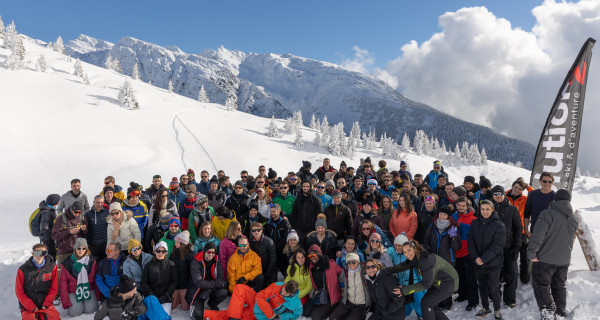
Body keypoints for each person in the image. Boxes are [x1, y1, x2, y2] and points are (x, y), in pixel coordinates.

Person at [528, 189, 578, 319]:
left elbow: (537, 236)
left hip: (545, 259)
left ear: (555, 199)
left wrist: (531, 253)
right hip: (564, 260)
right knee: (559, 285)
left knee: (541, 284)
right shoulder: (573, 218)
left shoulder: (547, 214)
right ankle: (560, 312)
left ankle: (548, 314)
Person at [387, 240, 459, 320]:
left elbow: (425, 284)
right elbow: (404, 265)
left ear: (415, 249)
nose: (407, 254)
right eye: (404, 252)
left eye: (409, 250)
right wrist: (388, 270)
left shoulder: (425, 260)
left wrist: (403, 290)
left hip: (448, 282)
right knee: (431, 304)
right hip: (438, 282)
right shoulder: (416, 257)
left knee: (426, 303)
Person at [467, 200, 506, 319]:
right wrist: (475, 257)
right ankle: (485, 307)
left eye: (487, 209)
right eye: (482, 209)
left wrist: (483, 259)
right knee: (482, 286)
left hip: (493, 263)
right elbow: (470, 242)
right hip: (478, 262)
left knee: (494, 287)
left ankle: (497, 309)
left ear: (492, 209)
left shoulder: (499, 225)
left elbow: (498, 245)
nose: (485, 211)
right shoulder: (474, 223)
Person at [491, 185, 522, 308]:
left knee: (512, 274)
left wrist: (517, 246)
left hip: (509, 247)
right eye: (495, 194)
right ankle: (494, 296)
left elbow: (518, 229)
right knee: (494, 275)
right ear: (492, 195)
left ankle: (509, 299)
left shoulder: (512, 209)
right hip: (492, 249)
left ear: (504, 195)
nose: (498, 196)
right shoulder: (487, 208)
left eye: (500, 194)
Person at [523, 172, 556, 284]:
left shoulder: (555, 197)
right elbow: (527, 213)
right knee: (532, 256)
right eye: (545, 181)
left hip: (549, 233)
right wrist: (526, 230)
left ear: (552, 183)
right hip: (534, 231)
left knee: (546, 257)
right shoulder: (533, 194)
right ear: (540, 181)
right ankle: (527, 279)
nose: (547, 184)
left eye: (549, 182)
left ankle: (544, 280)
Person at [15, 243, 60, 320]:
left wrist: (46, 303)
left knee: (54, 318)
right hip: (28, 305)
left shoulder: (52, 267)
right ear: (32, 254)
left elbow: (54, 288)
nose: (39, 256)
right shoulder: (23, 269)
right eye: (36, 253)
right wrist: (31, 306)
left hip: (45, 302)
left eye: (43, 253)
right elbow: (19, 292)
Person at [186, 242, 229, 320]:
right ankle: (198, 305)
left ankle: (212, 303)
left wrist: (209, 289)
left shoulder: (216, 260)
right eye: (209, 252)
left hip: (210, 287)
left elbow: (220, 277)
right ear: (205, 251)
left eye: (213, 252)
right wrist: (212, 286)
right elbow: (198, 282)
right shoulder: (196, 261)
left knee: (223, 292)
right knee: (198, 316)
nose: (211, 254)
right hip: (197, 290)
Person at [387, 233, 425, 318]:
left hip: (415, 284)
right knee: (406, 308)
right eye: (395, 245)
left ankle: (421, 317)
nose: (397, 248)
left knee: (419, 306)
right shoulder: (394, 254)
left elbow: (419, 272)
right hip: (403, 285)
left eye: (399, 246)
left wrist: (424, 287)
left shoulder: (411, 255)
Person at [451, 196, 479, 310]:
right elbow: (451, 232)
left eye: (463, 206)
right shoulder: (453, 217)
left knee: (470, 278)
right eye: (459, 205)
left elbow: (476, 237)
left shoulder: (473, 219)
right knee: (460, 276)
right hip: (456, 252)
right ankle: (463, 295)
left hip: (468, 252)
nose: (461, 208)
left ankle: (473, 301)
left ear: (468, 206)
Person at [59, 238, 100, 316]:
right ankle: (77, 303)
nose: (81, 250)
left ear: (86, 249)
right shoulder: (67, 263)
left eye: (83, 248)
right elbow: (63, 284)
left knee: (90, 310)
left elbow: (96, 279)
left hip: (88, 289)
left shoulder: (92, 261)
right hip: (73, 291)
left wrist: (98, 296)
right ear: (75, 249)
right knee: (75, 312)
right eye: (78, 248)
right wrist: (65, 301)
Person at [303, 244, 344, 320]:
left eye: (314, 255)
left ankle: (333, 307)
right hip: (319, 294)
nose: (312, 258)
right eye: (310, 256)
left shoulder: (330, 264)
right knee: (305, 312)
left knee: (315, 317)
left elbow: (342, 273)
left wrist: (342, 286)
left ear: (319, 253)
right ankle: (321, 308)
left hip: (331, 296)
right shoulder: (311, 267)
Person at [505, 177, 533, 284]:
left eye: (520, 189)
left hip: (521, 232)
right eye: (516, 187)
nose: (517, 190)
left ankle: (524, 278)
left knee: (524, 256)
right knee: (507, 256)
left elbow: (535, 194)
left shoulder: (525, 199)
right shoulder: (504, 197)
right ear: (512, 186)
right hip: (507, 232)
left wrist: (527, 186)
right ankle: (505, 277)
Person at [329, 252, 371, 320]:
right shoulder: (345, 271)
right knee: (332, 318)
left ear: (358, 262)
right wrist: (343, 289)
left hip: (361, 304)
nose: (351, 264)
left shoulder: (364, 271)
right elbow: (341, 281)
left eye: (353, 262)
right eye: (348, 262)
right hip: (348, 301)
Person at [141, 241, 178, 315]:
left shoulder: (171, 264)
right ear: (155, 252)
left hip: (165, 297)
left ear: (166, 252)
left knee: (163, 315)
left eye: (163, 251)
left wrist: (166, 295)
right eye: (158, 251)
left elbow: (174, 281)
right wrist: (151, 294)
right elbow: (144, 282)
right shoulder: (148, 265)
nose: (160, 253)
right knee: (152, 315)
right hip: (151, 296)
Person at [52, 200, 88, 264]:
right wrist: (69, 232)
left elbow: (85, 234)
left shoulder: (82, 218)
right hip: (64, 252)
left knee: (78, 273)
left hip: (78, 252)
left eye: (80, 212)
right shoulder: (61, 218)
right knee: (62, 272)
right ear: (71, 209)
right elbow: (54, 235)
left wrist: (84, 230)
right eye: (76, 212)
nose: (77, 214)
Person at [170, 230, 195, 311]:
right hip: (175, 284)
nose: (175, 243)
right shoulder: (173, 252)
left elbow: (192, 272)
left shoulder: (190, 255)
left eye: (177, 242)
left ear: (182, 244)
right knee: (172, 306)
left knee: (185, 308)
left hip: (185, 285)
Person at [86, 195, 110, 261]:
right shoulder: (88, 214)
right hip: (92, 244)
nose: (99, 204)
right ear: (93, 202)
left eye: (101, 202)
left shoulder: (107, 213)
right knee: (93, 264)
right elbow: (85, 230)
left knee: (104, 262)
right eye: (97, 202)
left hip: (104, 244)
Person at [38, 194, 60, 259]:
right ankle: (48, 268)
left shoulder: (49, 209)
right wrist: (55, 232)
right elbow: (44, 228)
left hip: (49, 238)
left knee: (51, 255)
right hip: (48, 239)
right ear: (55, 202)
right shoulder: (46, 212)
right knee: (50, 256)